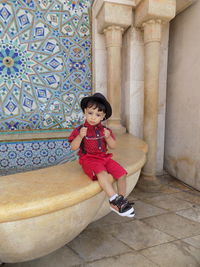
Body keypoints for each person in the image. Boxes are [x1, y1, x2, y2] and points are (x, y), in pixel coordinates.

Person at [68, 93, 134, 217]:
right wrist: (80, 137)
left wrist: (108, 138)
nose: (93, 117)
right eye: (90, 113)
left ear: (103, 117)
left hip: (104, 158)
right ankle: (113, 200)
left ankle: (121, 201)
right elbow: (73, 147)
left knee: (122, 174)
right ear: (85, 112)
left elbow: (113, 146)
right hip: (89, 159)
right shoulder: (80, 130)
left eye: (98, 115)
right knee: (102, 173)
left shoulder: (105, 130)